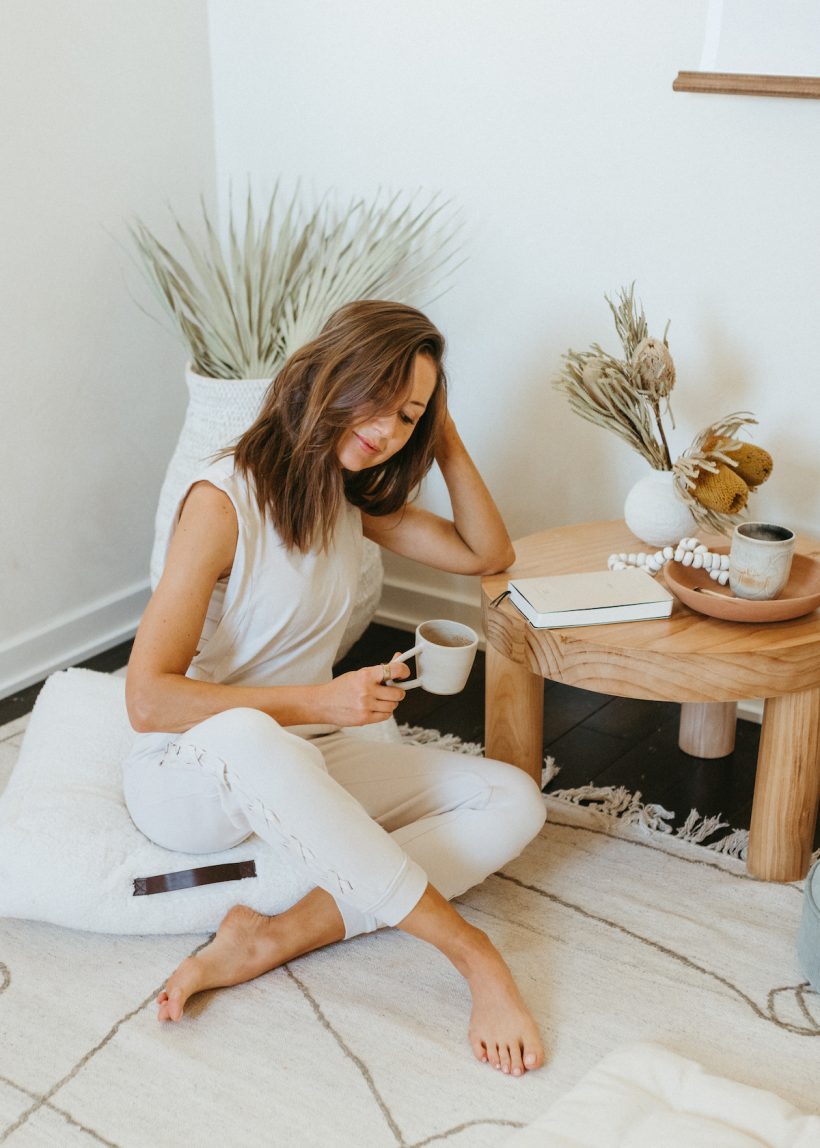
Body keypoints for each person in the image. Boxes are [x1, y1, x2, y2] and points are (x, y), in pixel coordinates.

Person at [123, 300, 547, 1076]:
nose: (388, 429)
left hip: (300, 751)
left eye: (407, 414)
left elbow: (488, 552)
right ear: (328, 375)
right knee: (252, 735)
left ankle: (273, 935)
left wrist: (442, 431)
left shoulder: (346, 497)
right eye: (379, 401)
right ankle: (471, 953)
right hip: (188, 773)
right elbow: (148, 699)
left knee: (514, 799)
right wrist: (322, 703)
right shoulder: (221, 500)